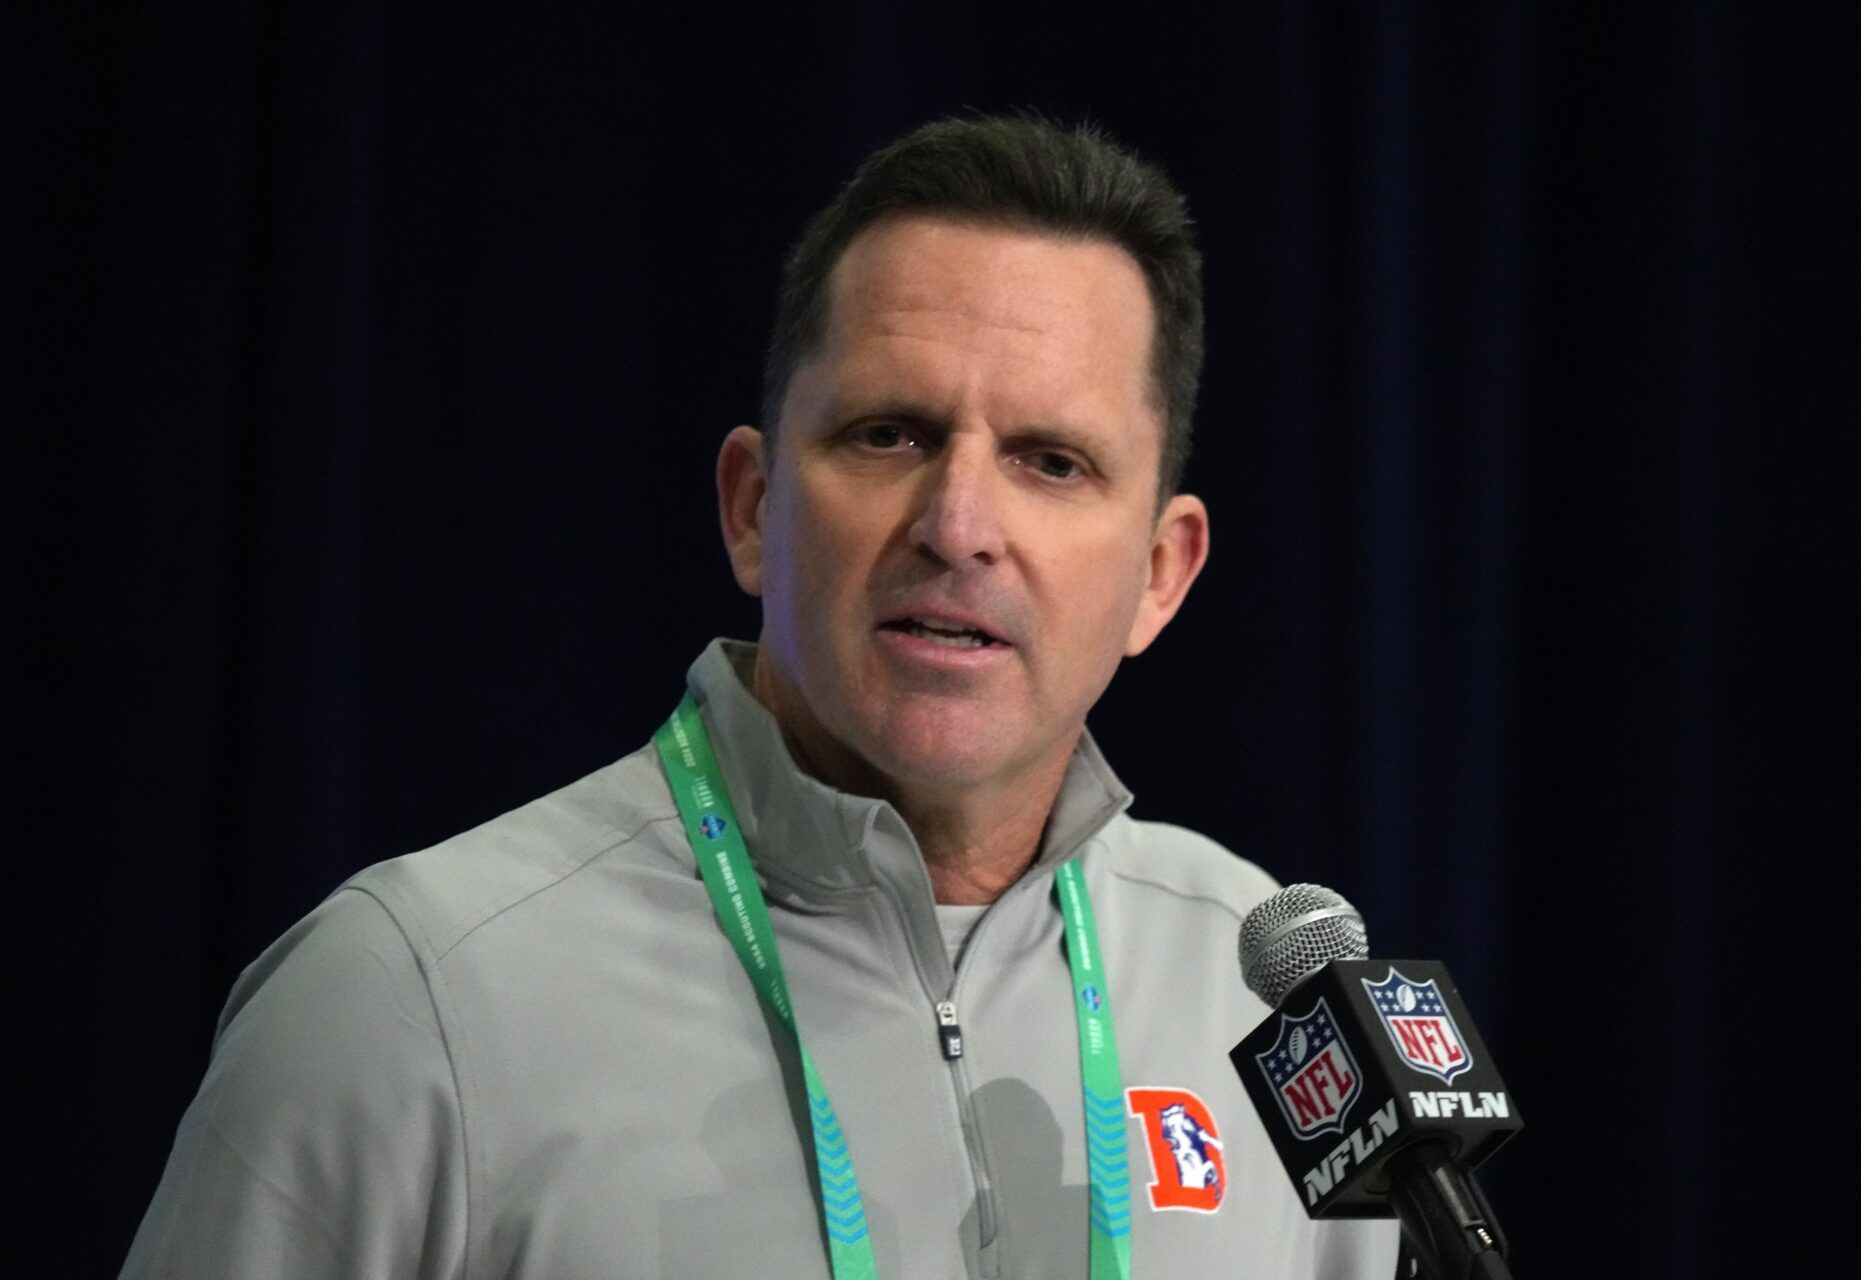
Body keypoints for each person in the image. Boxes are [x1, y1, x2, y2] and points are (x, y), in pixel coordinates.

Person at [121, 115, 1400, 1278]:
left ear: (1160, 576)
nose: (959, 524)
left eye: (1049, 461)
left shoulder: (1276, 998)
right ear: (752, 505)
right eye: (889, 434)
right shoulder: (415, 992)